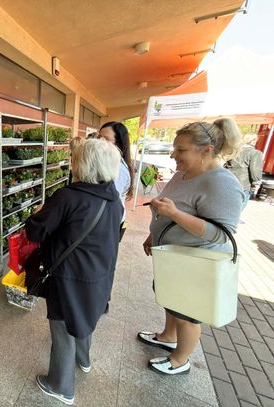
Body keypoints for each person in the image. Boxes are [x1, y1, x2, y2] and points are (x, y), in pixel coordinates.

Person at [138, 118, 244, 375]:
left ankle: (180, 359)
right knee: (171, 299)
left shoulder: (221, 182)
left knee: (187, 312)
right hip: (174, 257)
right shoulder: (182, 174)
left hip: (195, 262)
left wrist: (174, 214)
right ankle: (168, 336)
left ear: (206, 150)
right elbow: (168, 209)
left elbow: (221, 234)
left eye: (181, 150)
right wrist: (154, 234)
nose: (173, 155)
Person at [25, 138, 123, 404]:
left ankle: (60, 386)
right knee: (86, 317)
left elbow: (35, 231)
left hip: (69, 276)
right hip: (100, 273)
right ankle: (83, 360)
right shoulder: (113, 198)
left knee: (63, 327)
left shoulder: (68, 197)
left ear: (83, 163)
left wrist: (38, 213)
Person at [98, 121, 133, 240]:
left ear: (118, 143)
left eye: (106, 139)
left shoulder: (118, 169)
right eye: (99, 137)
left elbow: (109, 201)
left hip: (110, 223)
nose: (100, 142)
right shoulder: (108, 162)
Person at [224, 133, 263, 205]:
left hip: (227, 181)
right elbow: (255, 170)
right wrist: (257, 183)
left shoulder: (234, 151)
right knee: (236, 208)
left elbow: (225, 165)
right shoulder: (256, 153)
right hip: (243, 185)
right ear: (254, 141)